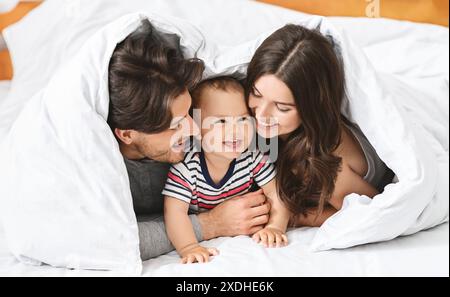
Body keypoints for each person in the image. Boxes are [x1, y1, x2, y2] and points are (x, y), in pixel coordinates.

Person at [107, 20, 271, 261]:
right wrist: (211, 224)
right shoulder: (101, 169)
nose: (194, 129)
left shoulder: (210, 144)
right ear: (127, 134)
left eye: (190, 114)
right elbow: (107, 242)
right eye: (176, 124)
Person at [245, 24, 395, 227]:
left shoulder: (331, 172)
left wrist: (288, 215)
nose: (261, 114)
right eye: (256, 93)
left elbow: (375, 211)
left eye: (282, 107)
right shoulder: (248, 111)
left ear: (311, 109)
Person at [162, 77, 290, 264]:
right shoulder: (187, 168)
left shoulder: (252, 157)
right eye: (221, 121)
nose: (235, 130)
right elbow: (174, 213)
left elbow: (276, 192)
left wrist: (275, 227)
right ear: (196, 127)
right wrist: (189, 247)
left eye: (242, 119)